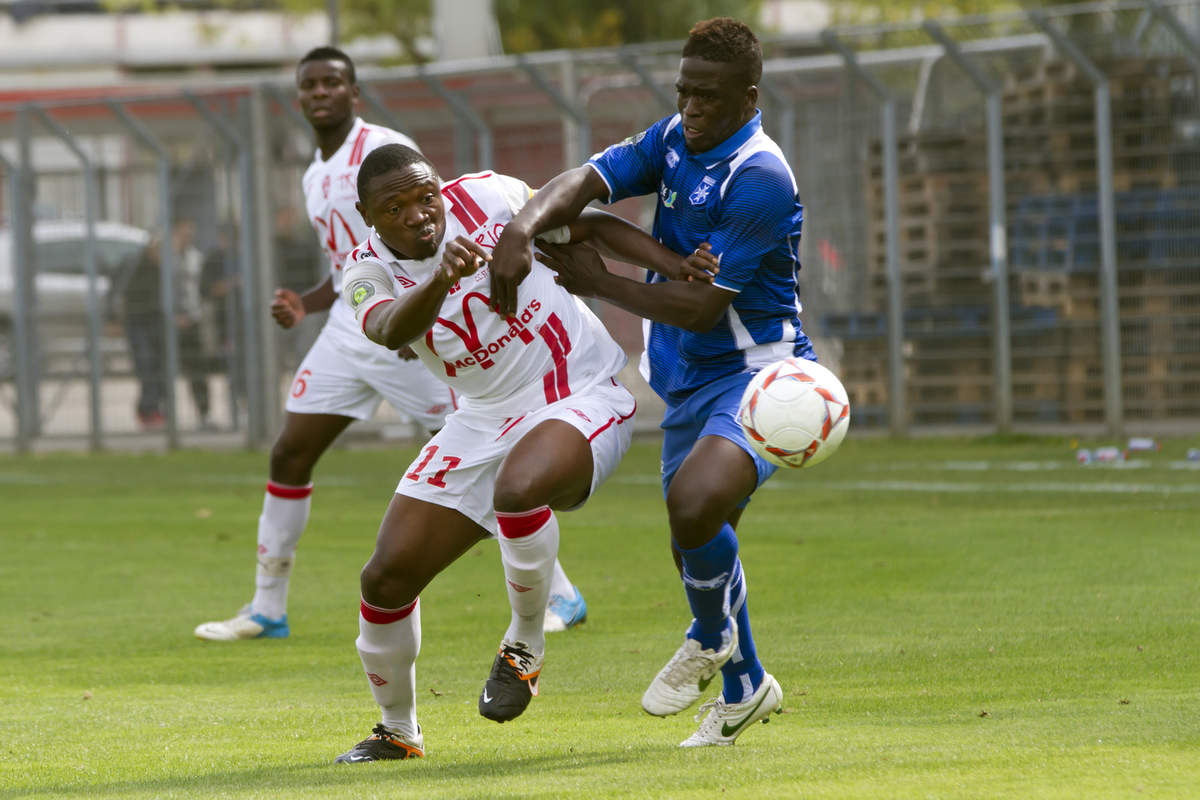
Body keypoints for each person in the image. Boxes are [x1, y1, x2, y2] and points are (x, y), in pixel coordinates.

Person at [330, 144, 716, 762]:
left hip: (577, 392)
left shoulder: (487, 195)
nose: (419, 215)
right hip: (480, 420)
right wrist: (441, 280)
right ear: (367, 217)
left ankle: (524, 647)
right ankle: (397, 732)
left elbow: (587, 225)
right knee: (384, 578)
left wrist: (672, 266)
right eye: (395, 208)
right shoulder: (362, 271)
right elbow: (389, 329)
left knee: (519, 489)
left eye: (425, 195)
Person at [194, 47, 585, 641]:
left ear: (354, 94)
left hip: (417, 334)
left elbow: (427, 231)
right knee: (290, 453)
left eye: (332, 83)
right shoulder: (313, 174)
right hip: (353, 334)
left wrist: (419, 319)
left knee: (482, 458)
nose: (320, 93)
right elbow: (353, 264)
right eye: (310, 85)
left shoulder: (380, 150)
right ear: (298, 98)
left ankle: (560, 593)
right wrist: (308, 302)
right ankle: (267, 606)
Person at [489, 17, 804, 747]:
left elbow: (699, 305)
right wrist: (518, 229)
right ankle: (746, 686)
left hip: (758, 374)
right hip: (685, 379)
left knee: (696, 506)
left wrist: (602, 281)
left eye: (709, 98)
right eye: (684, 93)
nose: (692, 109)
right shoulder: (671, 137)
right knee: (694, 540)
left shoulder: (758, 175)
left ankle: (705, 637)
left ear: (748, 98)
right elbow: (583, 187)